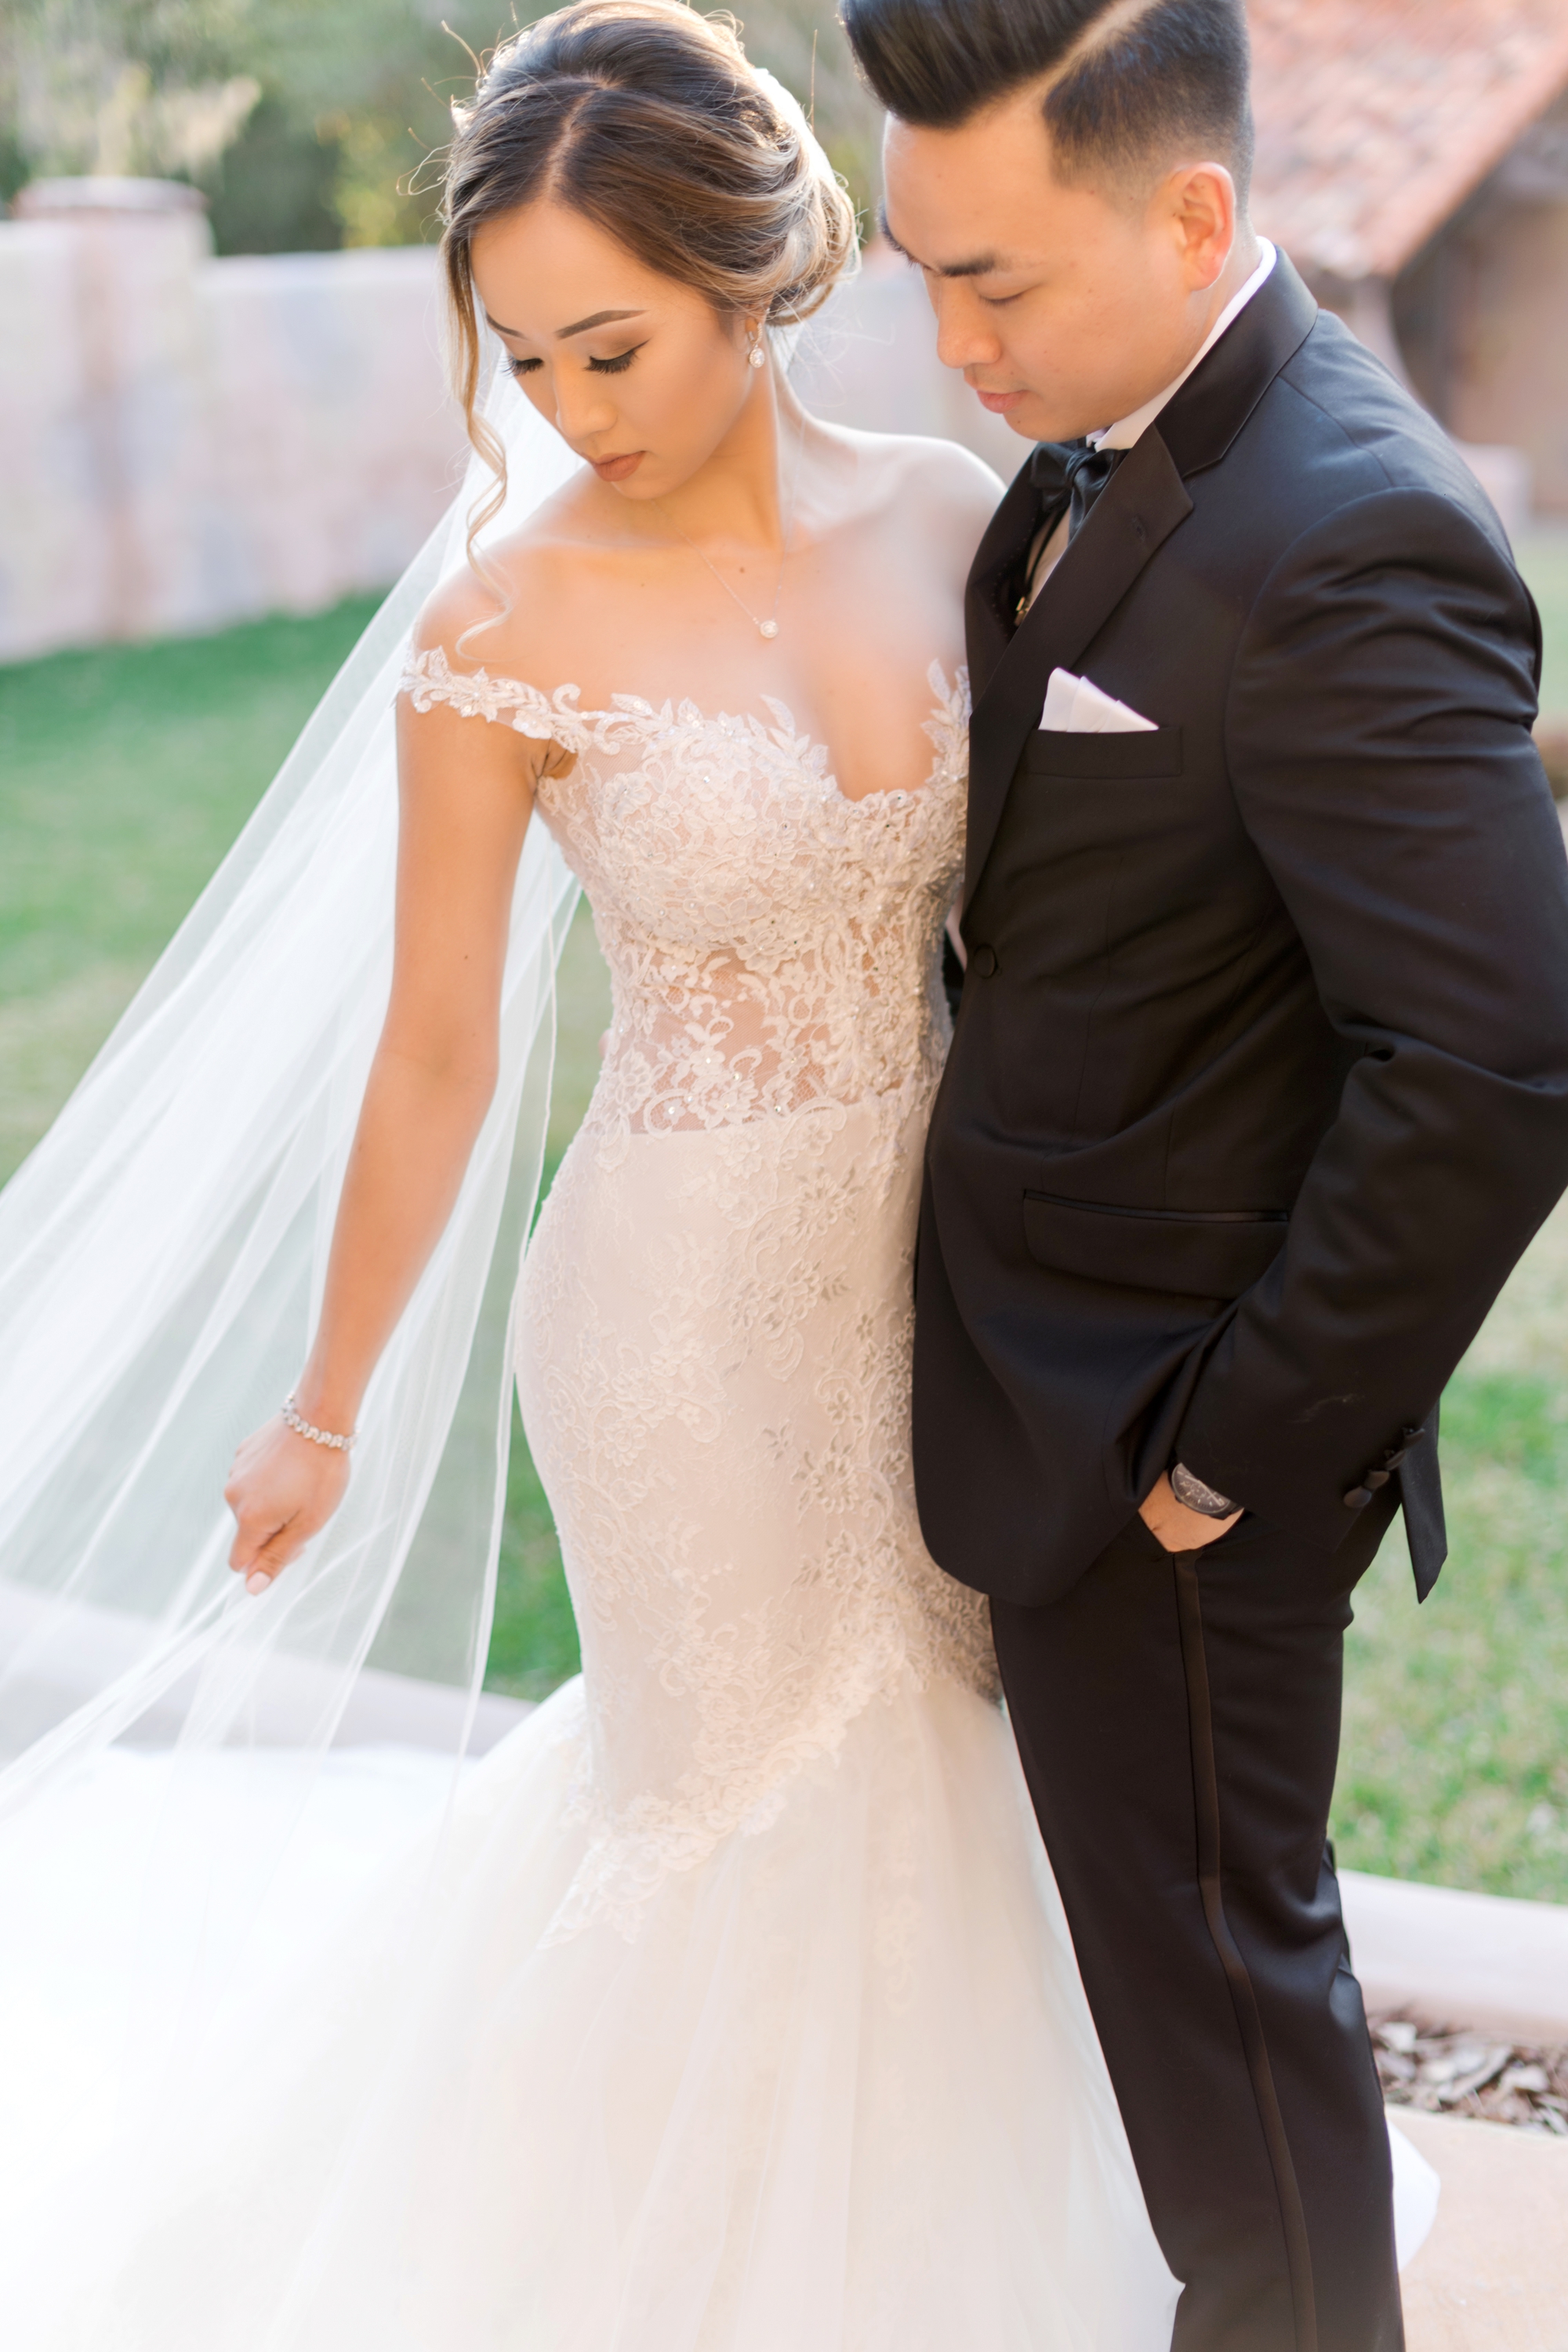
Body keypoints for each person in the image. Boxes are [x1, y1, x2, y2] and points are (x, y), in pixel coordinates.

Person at [0, 5, 1190, 2345]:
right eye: (525, 360)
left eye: (612, 346)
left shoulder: (956, 514)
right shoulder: (501, 626)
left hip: (934, 1286)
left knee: (936, 1756)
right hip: (672, 1310)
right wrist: (325, 1407)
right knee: (741, 1790)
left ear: (758, 273)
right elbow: (440, 1049)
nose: (571, 409)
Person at [840, 0, 1568, 2347]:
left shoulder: (1351, 529)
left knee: (1235, 2068)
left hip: (1167, 1429)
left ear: (1192, 213)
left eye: (998, 284)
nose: (954, 349)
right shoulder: (1106, 452)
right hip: (1052, 1389)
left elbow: (1497, 1058)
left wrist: (1228, 1454)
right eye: (922, 276)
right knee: (1182, 2031)